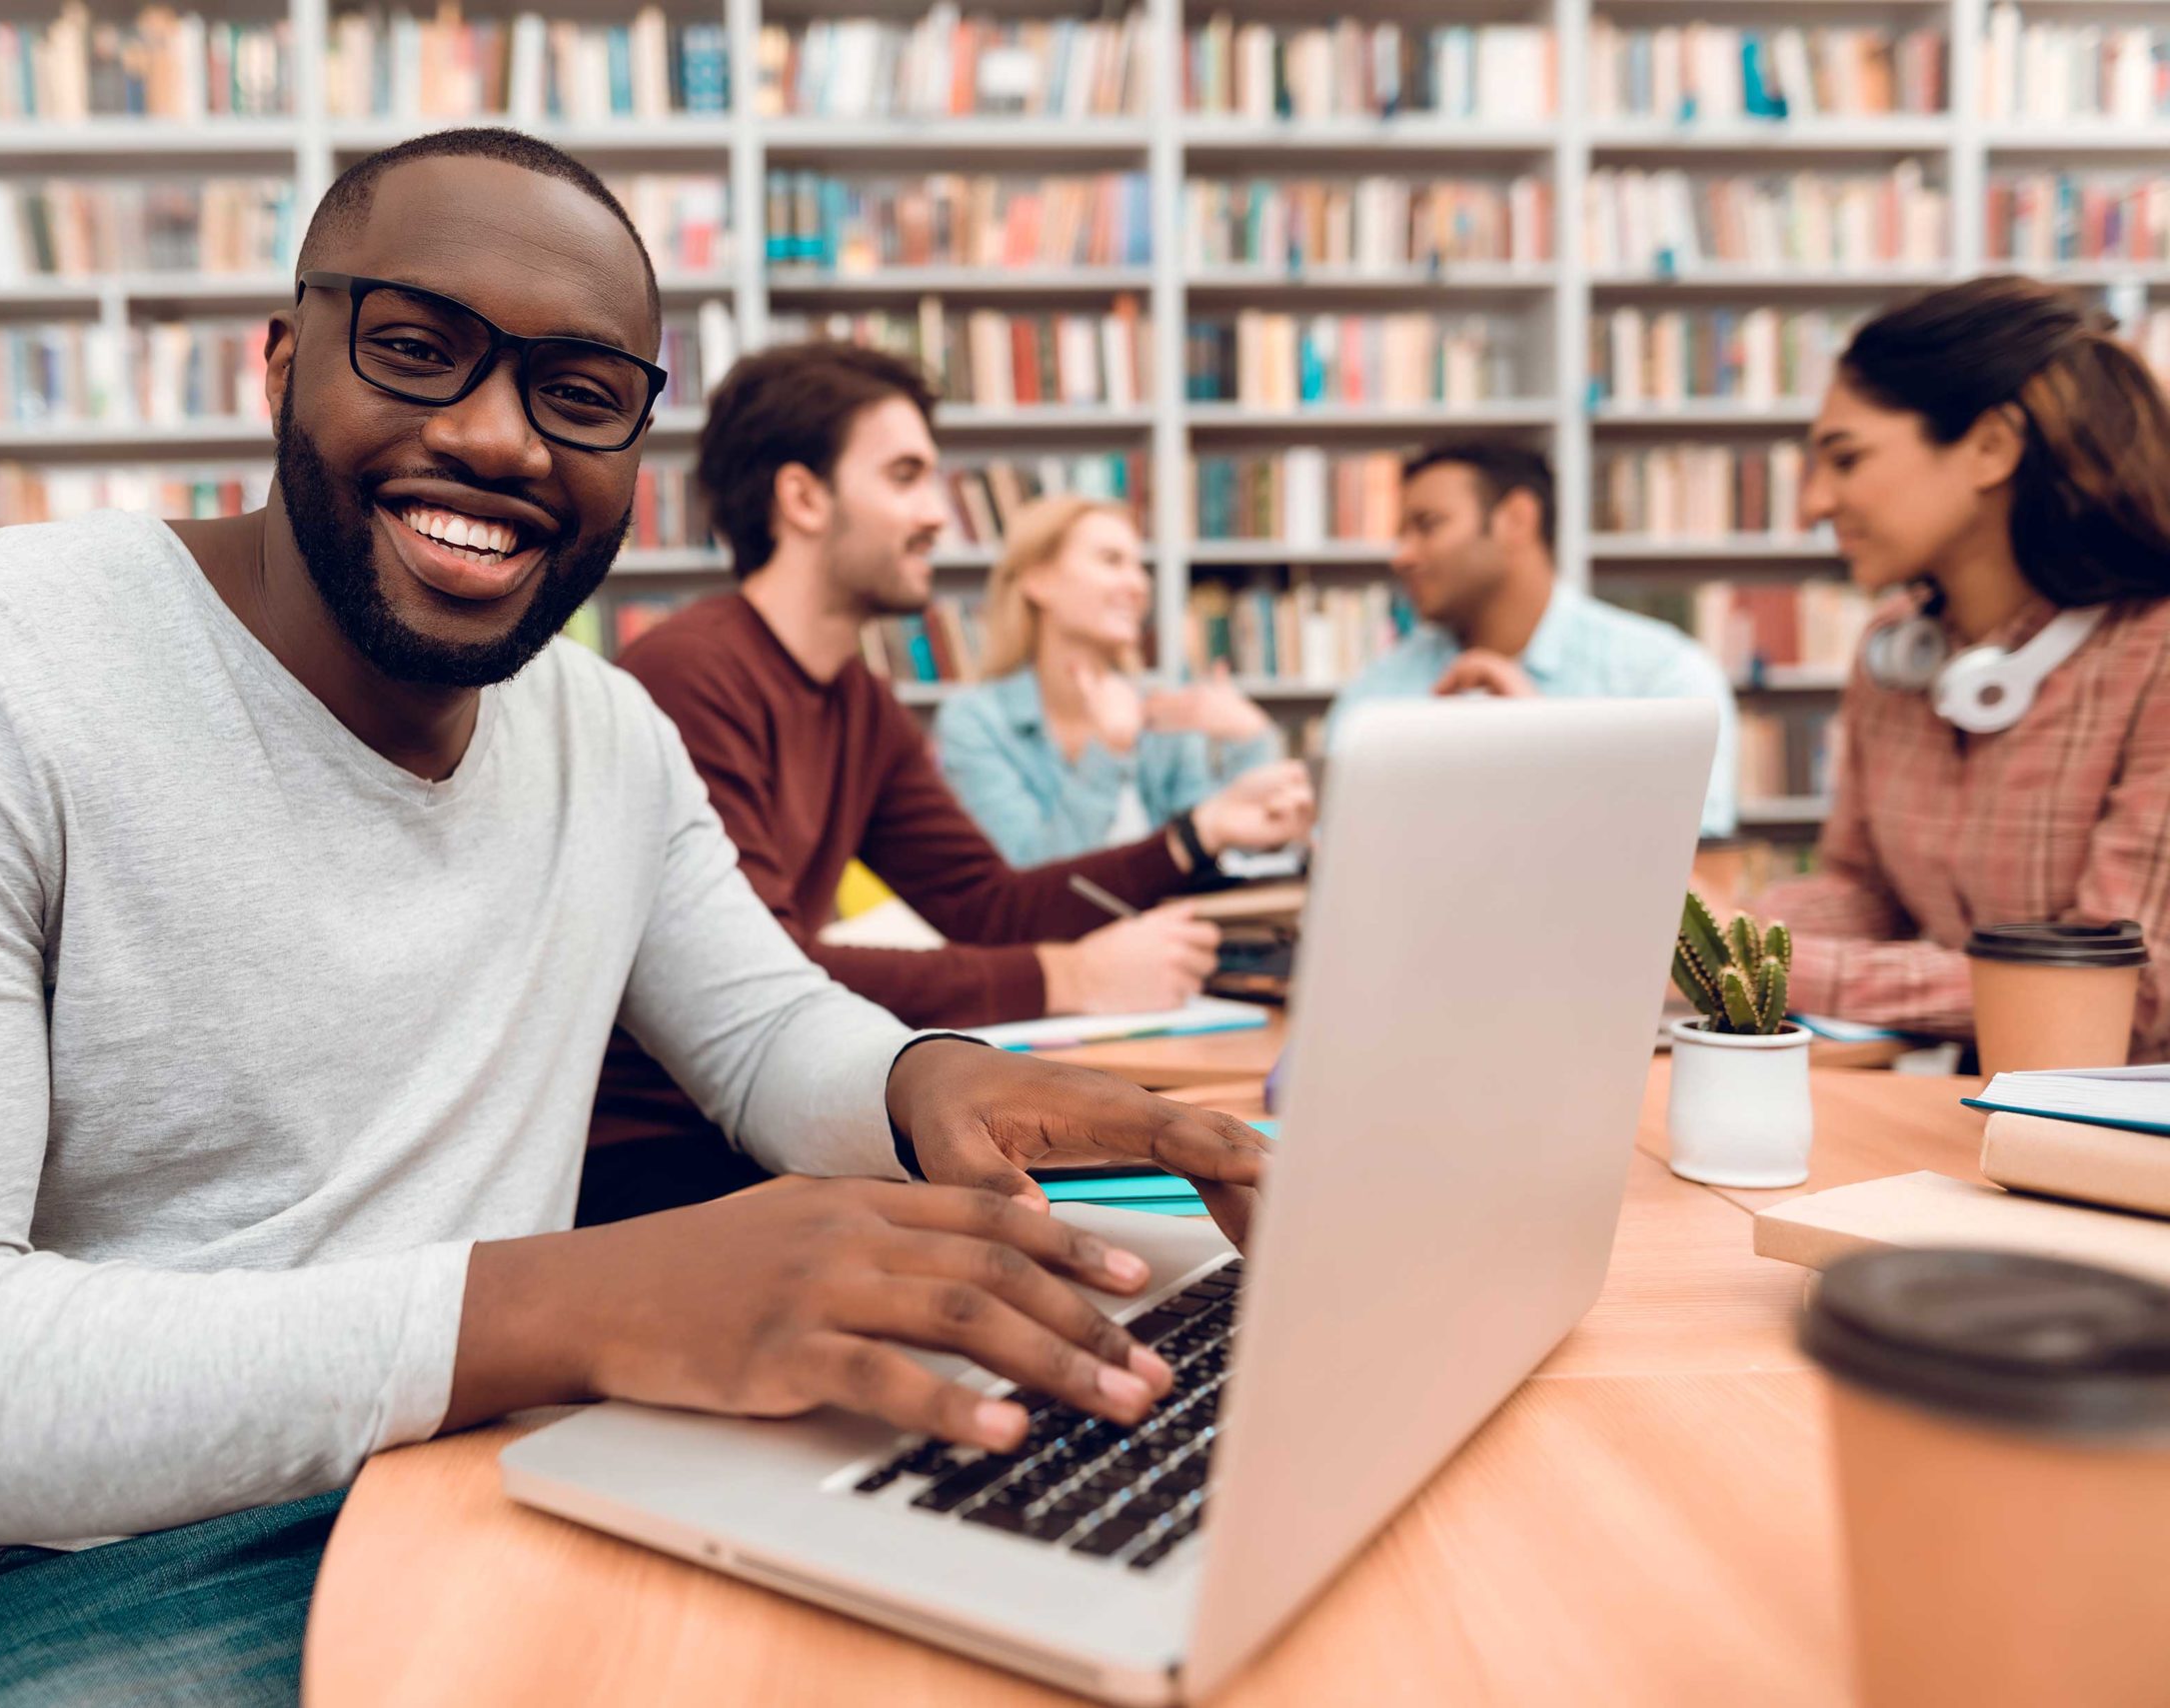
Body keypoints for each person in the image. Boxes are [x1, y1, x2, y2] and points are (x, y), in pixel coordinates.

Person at [0, 130, 1269, 1708]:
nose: (503, 440)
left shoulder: (604, 738)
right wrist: (565, 1307)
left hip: (441, 1472)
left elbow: (767, 1028)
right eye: (420, 350)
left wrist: (928, 1079)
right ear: (282, 365)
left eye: (578, 395)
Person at [587, 343, 1313, 1224]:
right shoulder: (692, 673)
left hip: (779, 1131)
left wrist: (1196, 833)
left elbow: (984, 903)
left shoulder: (861, 701)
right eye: (906, 476)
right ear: (803, 497)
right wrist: (1065, 974)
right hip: (661, 1159)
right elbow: (770, 976)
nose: (942, 514)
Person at [1758, 274, 2170, 1059]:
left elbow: (2120, 989)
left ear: (1990, 447)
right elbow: (1863, 891)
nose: (1813, 503)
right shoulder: (1895, 647)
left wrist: (1762, 967)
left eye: (1845, 459)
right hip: (1973, 1112)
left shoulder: (2155, 653)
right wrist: (1711, 927)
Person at [1329, 441, 1741, 837]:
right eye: (1402, 533)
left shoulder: (1661, 679)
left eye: (1427, 525)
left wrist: (1546, 750)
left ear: (1517, 520)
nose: (1402, 556)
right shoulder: (1376, 693)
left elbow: (1696, 876)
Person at [936, 494, 1307, 864]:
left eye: (1139, 566)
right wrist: (1108, 752)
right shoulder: (975, 722)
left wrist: (1251, 739)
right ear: (1039, 582)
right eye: (1112, 561)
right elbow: (1024, 877)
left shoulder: (1163, 712)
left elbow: (1221, 851)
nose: (1139, 585)